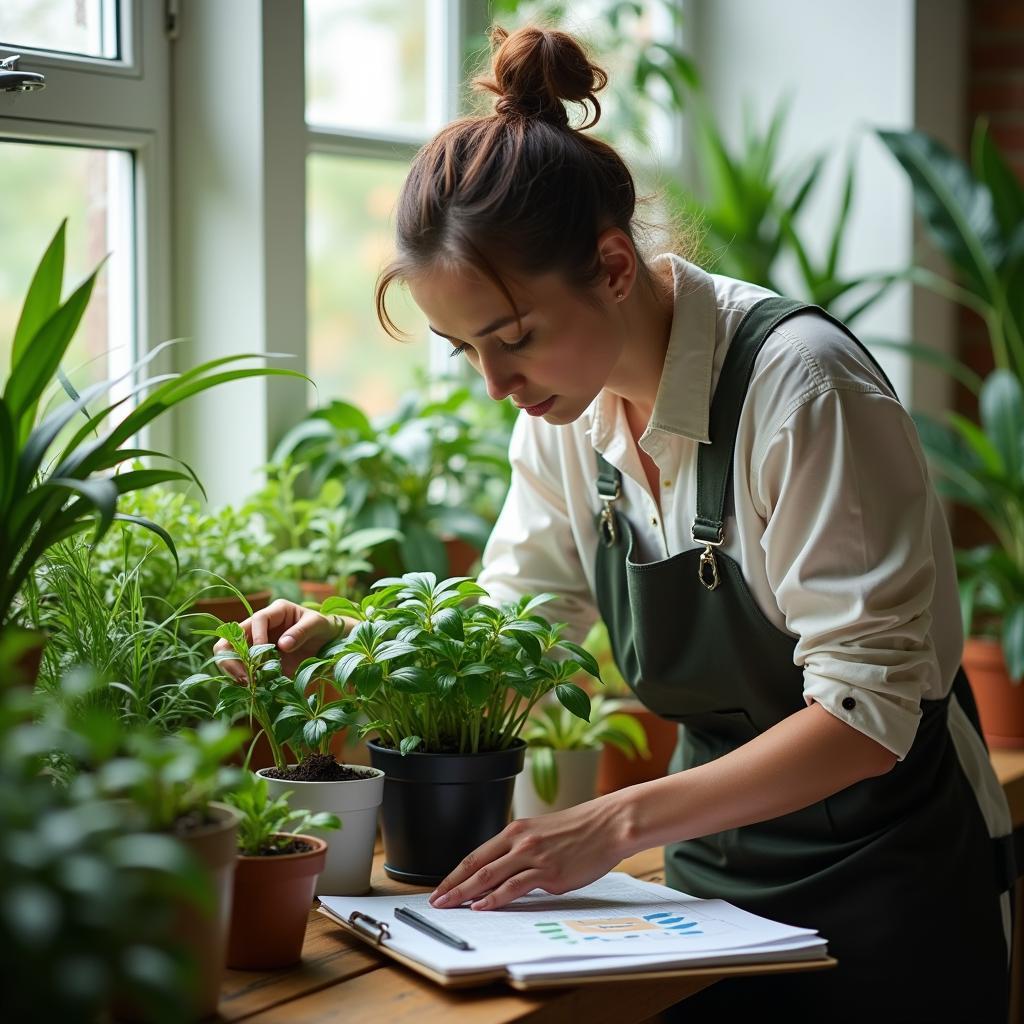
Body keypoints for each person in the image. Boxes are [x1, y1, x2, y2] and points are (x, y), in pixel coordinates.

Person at [219, 25, 1015, 1021]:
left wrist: (611, 821)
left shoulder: (802, 393)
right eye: (462, 350)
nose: (496, 383)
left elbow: (866, 716)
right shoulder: (564, 416)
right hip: (706, 893)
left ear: (611, 264)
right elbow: (519, 621)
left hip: (890, 888)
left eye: (513, 339)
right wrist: (353, 642)